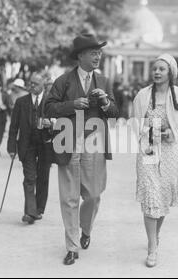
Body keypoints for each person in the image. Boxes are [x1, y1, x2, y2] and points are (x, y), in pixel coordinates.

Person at [45, 33, 118, 266]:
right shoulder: (63, 81)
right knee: (68, 198)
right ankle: (72, 246)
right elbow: (48, 108)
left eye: (99, 52)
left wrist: (106, 102)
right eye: (93, 52)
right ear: (80, 56)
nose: (98, 56)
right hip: (67, 140)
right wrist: (71, 105)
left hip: (94, 142)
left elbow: (116, 112)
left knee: (94, 194)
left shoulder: (104, 82)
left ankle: (85, 229)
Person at [132, 54, 178, 267]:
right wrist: (150, 131)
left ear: (170, 73)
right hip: (148, 149)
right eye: (154, 68)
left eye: (161, 69)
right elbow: (135, 123)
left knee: (163, 196)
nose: (157, 72)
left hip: (169, 152)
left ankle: (155, 236)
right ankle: (152, 248)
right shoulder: (142, 95)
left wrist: (172, 131)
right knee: (151, 195)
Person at [7, 74, 53, 224]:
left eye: (36, 84)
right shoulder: (21, 102)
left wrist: (51, 123)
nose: (32, 86)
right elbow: (13, 126)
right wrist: (11, 146)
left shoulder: (51, 102)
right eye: (31, 83)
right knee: (29, 178)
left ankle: (39, 209)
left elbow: (61, 121)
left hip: (46, 144)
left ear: (43, 86)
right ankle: (30, 212)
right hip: (27, 145)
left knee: (43, 178)